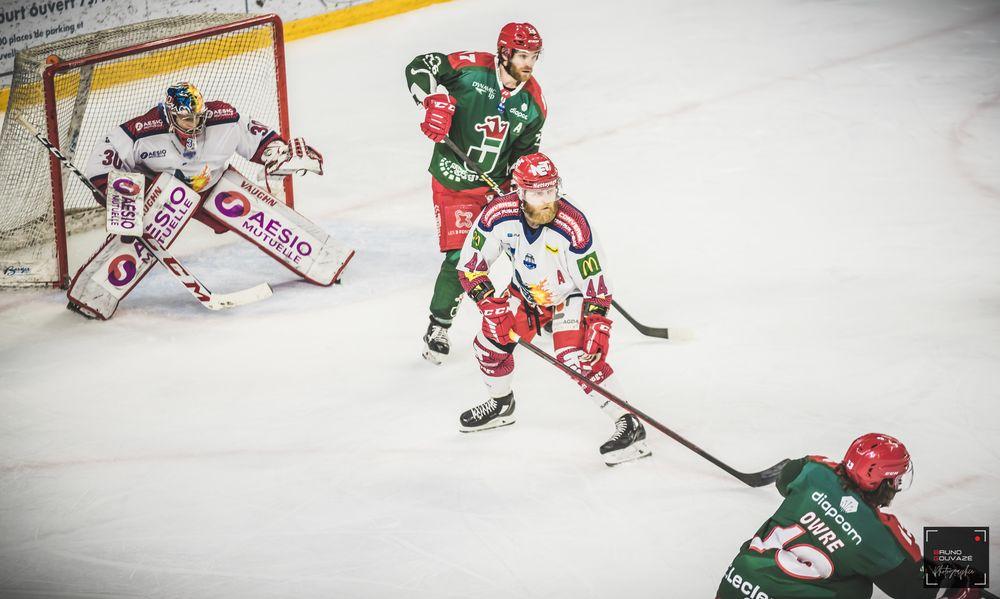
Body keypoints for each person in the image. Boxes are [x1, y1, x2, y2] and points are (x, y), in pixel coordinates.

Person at [68, 81, 353, 319]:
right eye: (186, 119)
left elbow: (260, 140)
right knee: (142, 232)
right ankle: (92, 296)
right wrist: (118, 193)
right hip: (164, 195)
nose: (194, 125)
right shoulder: (143, 130)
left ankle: (322, 259)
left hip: (213, 184)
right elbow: (103, 160)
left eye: (198, 117)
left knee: (257, 213)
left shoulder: (225, 118)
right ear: (170, 116)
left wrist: (278, 153)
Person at [454, 152, 650, 466]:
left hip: (570, 295)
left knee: (577, 357)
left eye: (550, 190)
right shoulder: (497, 215)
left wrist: (598, 325)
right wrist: (490, 305)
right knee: (489, 346)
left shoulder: (574, 225)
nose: (547, 200)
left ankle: (629, 424)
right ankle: (502, 405)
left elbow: (596, 284)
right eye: (537, 193)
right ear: (519, 193)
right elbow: (470, 267)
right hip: (526, 292)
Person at [404, 22, 547, 364]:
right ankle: (439, 326)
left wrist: (522, 187)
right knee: (461, 258)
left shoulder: (533, 104)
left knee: (532, 242)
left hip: (496, 188)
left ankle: (542, 306)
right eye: (522, 56)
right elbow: (419, 66)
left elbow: (525, 156)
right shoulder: (470, 70)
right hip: (454, 182)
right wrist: (430, 100)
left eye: (534, 57)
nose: (529, 63)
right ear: (504, 53)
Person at [716, 433, 980, 599]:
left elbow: (784, 480)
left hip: (734, 586)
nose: (897, 486)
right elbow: (913, 589)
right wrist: (961, 579)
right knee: (858, 585)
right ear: (882, 482)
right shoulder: (879, 535)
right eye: (896, 480)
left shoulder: (813, 470)